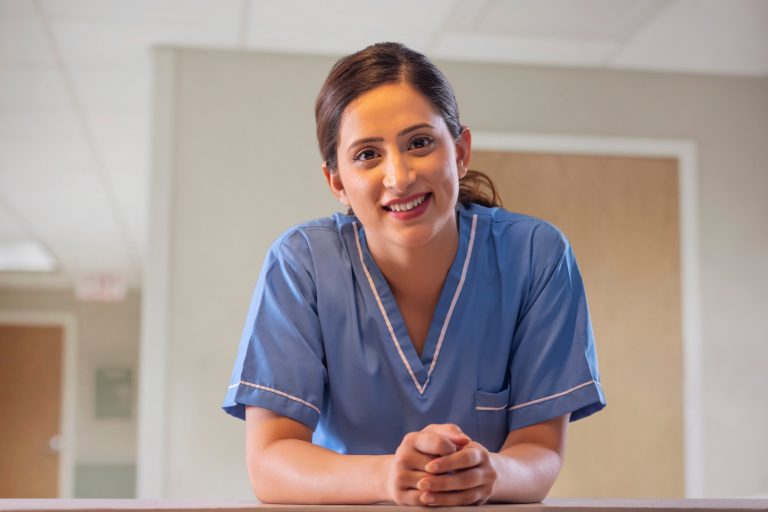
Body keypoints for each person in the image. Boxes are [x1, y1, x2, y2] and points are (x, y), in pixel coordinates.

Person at [223, 42, 606, 506]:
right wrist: (388, 477)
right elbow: (270, 463)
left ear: (460, 152)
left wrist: (492, 472)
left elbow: (540, 453)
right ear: (337, 183)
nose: (399, 177)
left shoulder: (537, 257)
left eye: (419, 143)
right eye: (367, 154)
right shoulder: (300, 264)